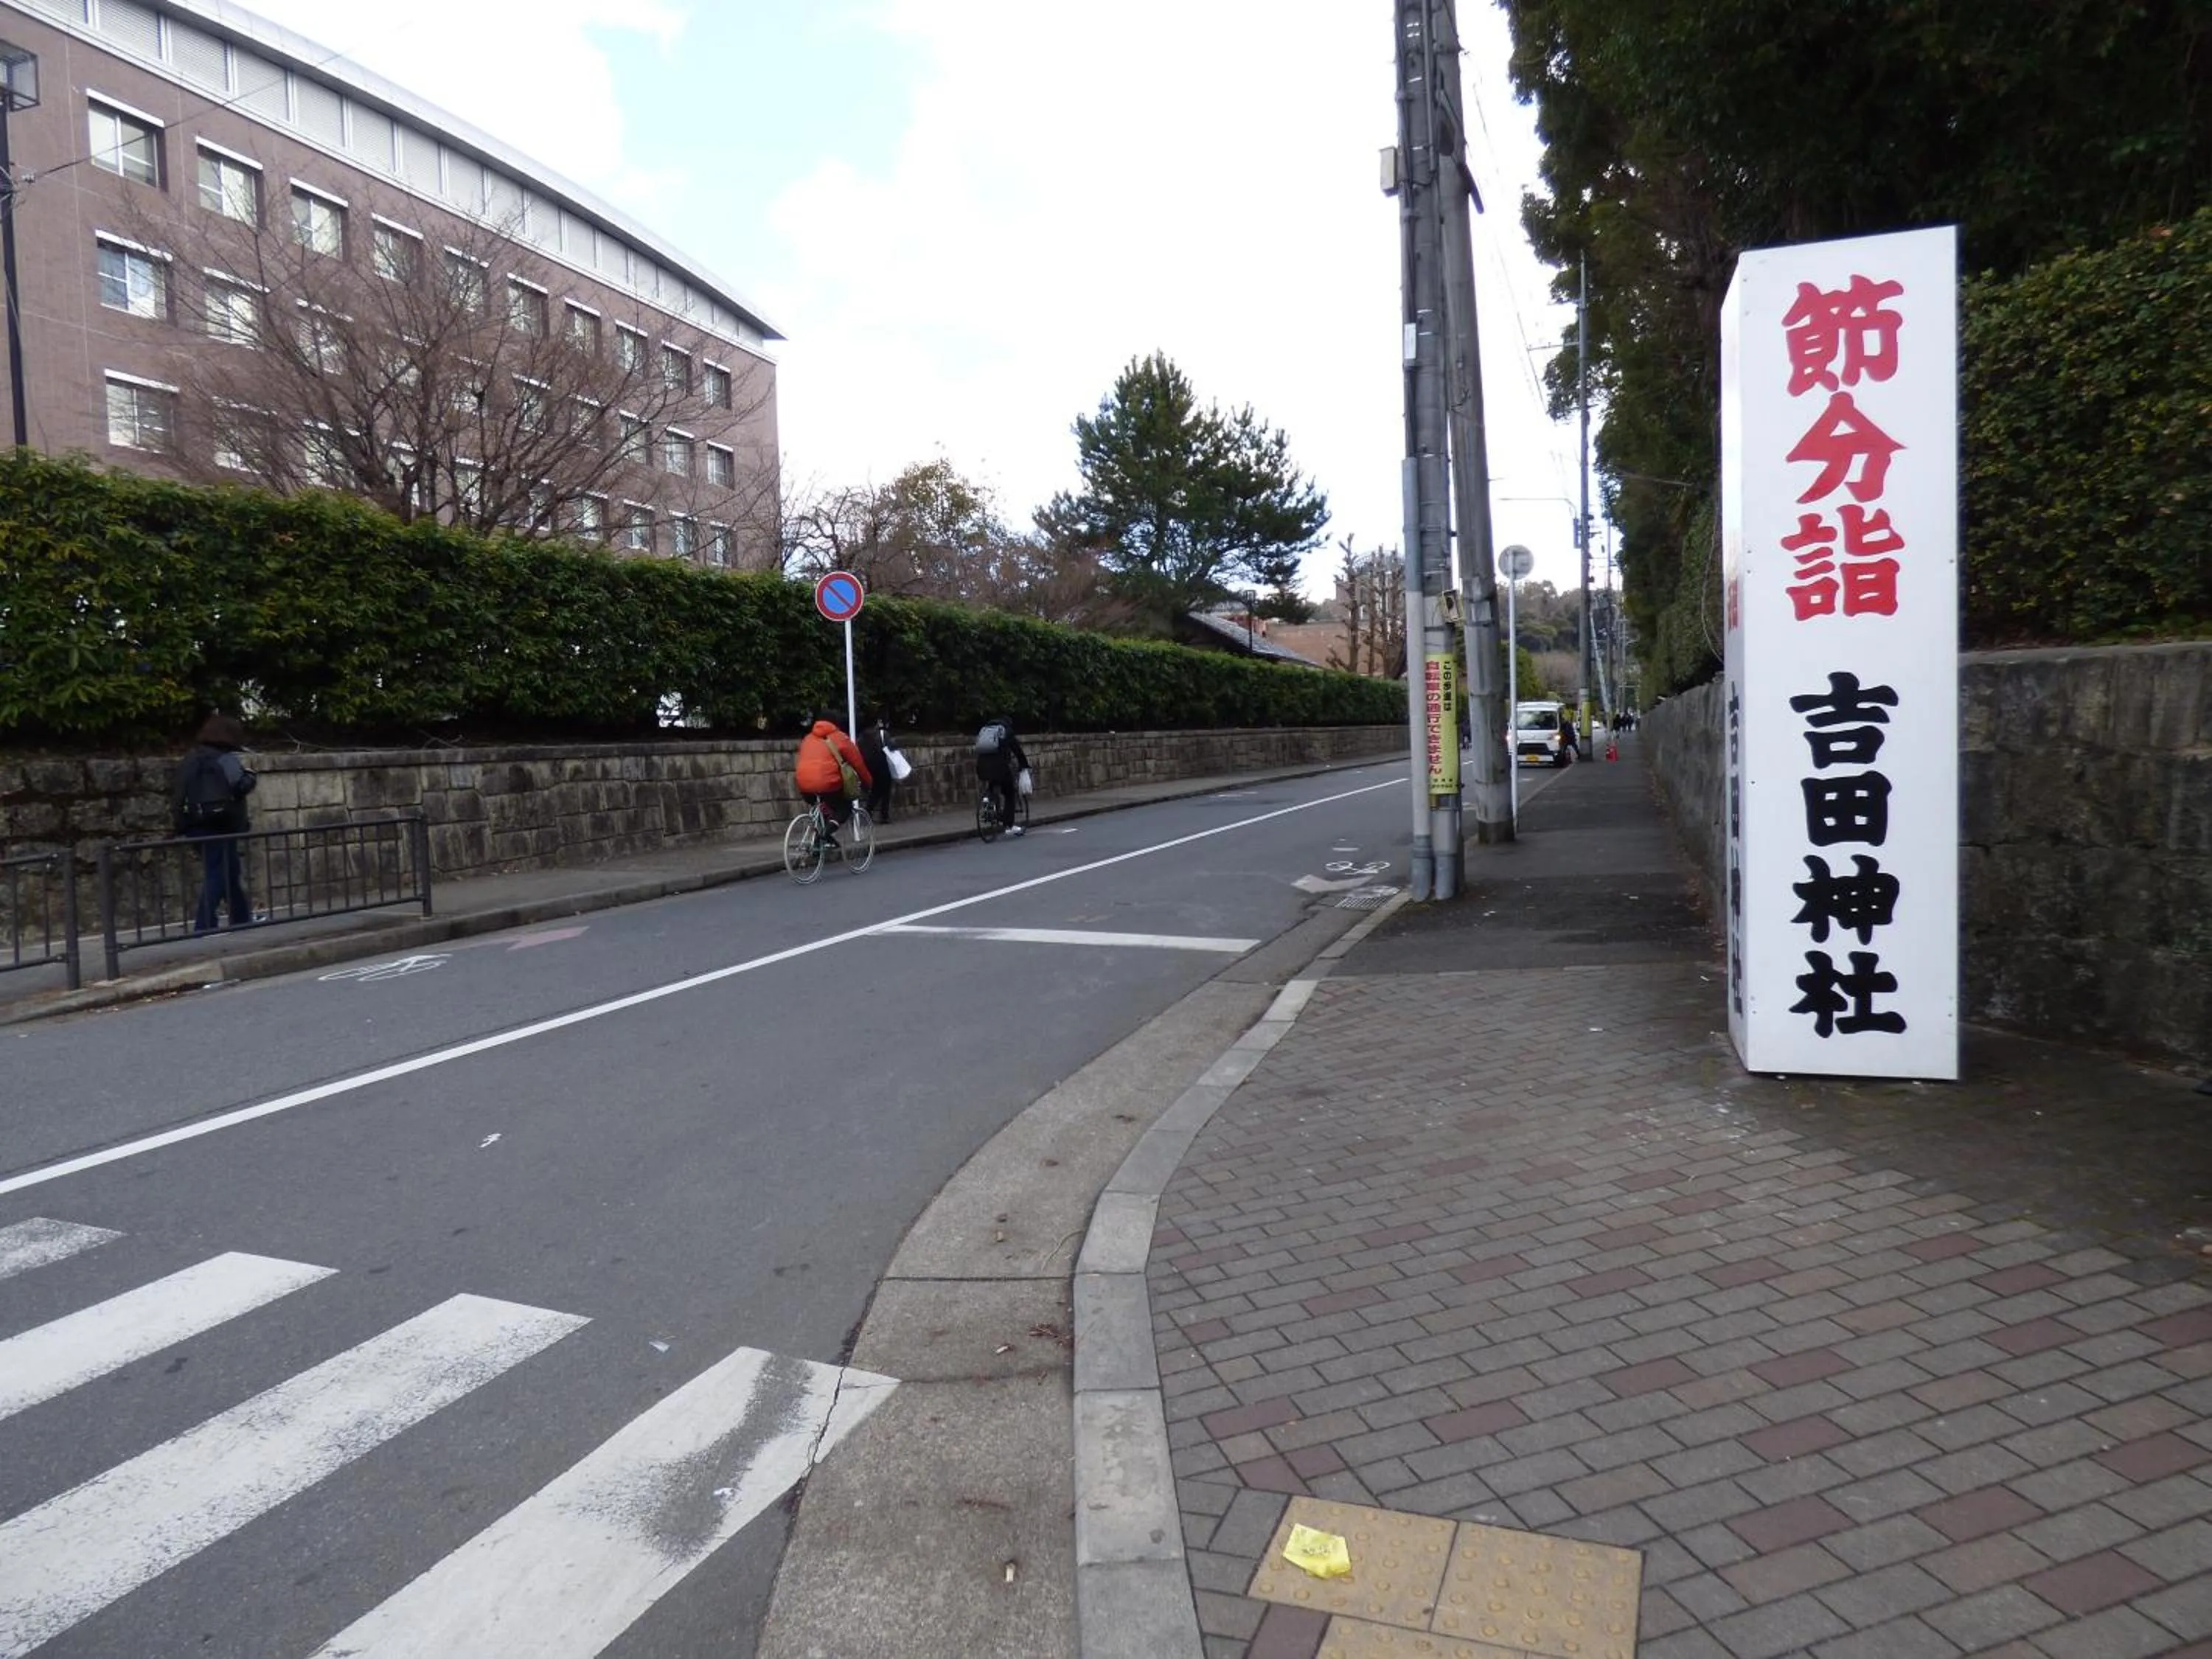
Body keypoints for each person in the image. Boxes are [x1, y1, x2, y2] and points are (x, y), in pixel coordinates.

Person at [173, 712, 257, 933]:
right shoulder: (225, 759)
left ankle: (242, 918)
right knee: (218, 874)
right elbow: (240, 786)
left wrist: (181, 824)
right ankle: (205, 925)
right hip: (223, 825)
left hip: (195, 826)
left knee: (229, 872)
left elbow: (179, 796)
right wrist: (250, 776)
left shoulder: (190, 760)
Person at [793, 712, 872, 847]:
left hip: (804, 784)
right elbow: (858, 764)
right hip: (827, 784)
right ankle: (824, 835)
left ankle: (820, 841)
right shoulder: (840, 738)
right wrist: (868, 783)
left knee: (824, 806)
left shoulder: (808, 739)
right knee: (844, 808)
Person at [974, 714, 1030, 838]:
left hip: (981, 766)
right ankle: (1008, 824)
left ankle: (988, 801)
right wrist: (1024, 766)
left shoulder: (985, 731)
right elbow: (1017, 751)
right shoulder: (1006, 731)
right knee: (1009, 792)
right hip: (1000, 767)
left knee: (993, 783)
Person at [858, 710, 896, 824]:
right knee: (885, 791)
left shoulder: (862, 735)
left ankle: (868, 811)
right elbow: (892, 747)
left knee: (875, 790)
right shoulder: (883, 734)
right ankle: (884, 815)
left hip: (869, 767)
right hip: (882, 766)